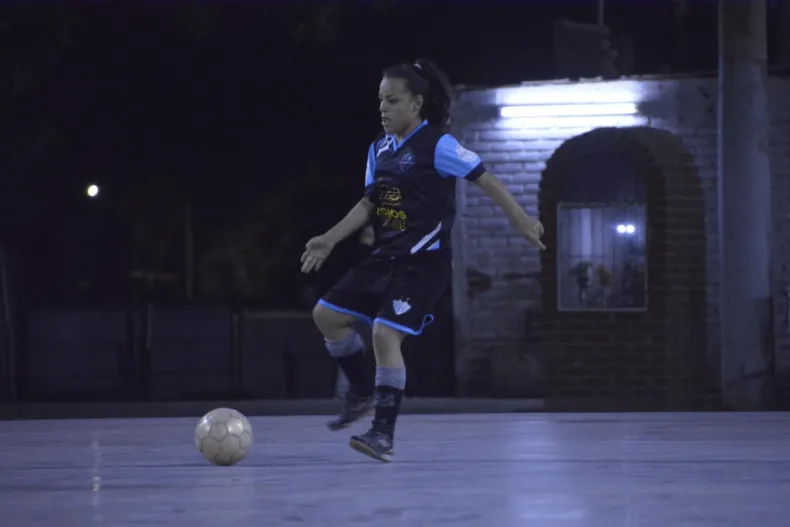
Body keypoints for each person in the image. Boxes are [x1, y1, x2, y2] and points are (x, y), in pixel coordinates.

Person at [301, 58, 545, 462]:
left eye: (392, 100)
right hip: (385, 258)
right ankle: (361, 390)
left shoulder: (439, 145)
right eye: (380, 100)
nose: (383, 108)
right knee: (325, 316)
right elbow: (370, 202)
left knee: (384, 333)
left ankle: (382, 434)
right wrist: (329, 238)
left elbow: (485, 177)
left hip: (423, 264)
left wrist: (520, 217)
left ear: (416, 103)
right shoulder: (378, 149)